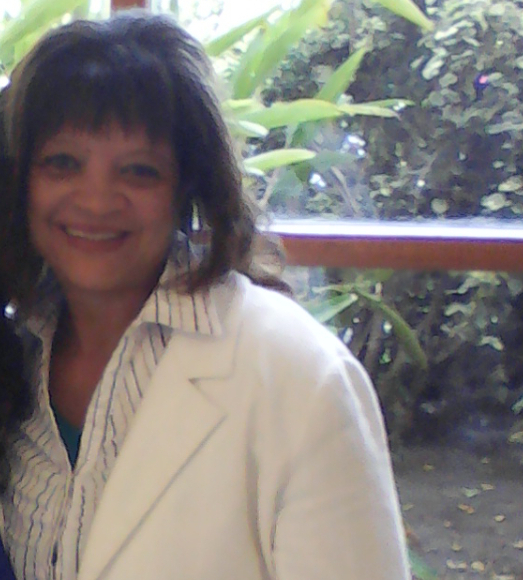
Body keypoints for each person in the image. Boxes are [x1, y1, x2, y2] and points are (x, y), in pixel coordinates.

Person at [0, 10, 410, 580]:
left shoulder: (300, 376)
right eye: (62, 163)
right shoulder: (16, 354)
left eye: (138, 171)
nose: (96, 200)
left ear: (189, 187)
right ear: (21, 181)